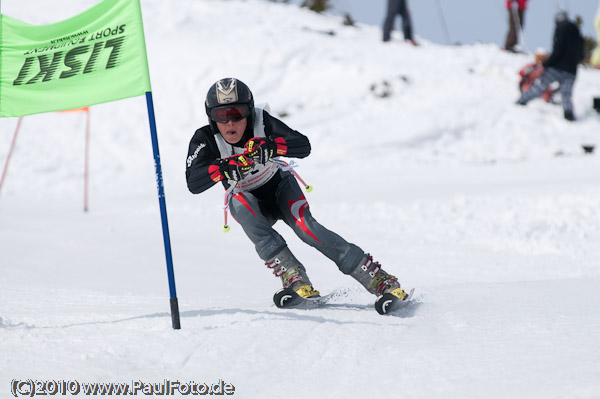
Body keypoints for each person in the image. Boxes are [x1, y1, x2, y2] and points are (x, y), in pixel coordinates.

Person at [186, 78, 409, 302]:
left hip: (280, 189)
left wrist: (272, 146)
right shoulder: (205, 138)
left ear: (250, 111)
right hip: (251, 205)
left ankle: (379, 279)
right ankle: (294, 277)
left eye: (237, 112)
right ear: (212, 118)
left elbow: (303, 145)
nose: (230, 123)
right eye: (221, 116)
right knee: (240, 202)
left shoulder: (262, 121)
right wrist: (222, 168)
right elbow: (194, 183)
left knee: (308, 230)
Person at [516, 11, 585, 121]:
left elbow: (558, 50)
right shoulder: (577, 33)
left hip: (557, 68)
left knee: (540, 85)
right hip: (571, 71)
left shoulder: (561, 29)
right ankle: (569, 114)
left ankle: (520, 102)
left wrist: (545, 64)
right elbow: (581, 55)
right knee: (566, 94)